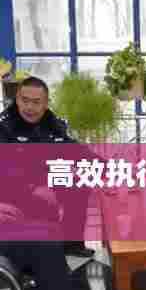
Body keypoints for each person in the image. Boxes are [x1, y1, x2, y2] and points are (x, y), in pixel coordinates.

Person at [0, 76, 94, 258]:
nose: (29, 107)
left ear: (45, 103)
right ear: (17, 99)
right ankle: (47, 251)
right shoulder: (4, 126)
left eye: (36, 102)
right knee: (42, 203)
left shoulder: (51, 122)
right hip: (11, 186)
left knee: (78, 185)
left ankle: (72, 243)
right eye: (24, 100)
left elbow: (73, 149)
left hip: (42, 177)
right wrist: (33, 188)